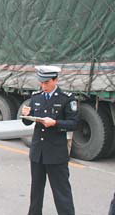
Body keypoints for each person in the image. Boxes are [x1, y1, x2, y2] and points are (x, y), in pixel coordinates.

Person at [21, 65, 78, 215]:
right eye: (41, 82)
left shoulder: (66, 98)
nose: (43, 85)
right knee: (36, 192)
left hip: (56, 154)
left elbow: (74, 123)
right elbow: (28, 122)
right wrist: (26, 114)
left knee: (61, 193)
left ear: (55, 80)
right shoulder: (36, 96)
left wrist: (56, 123)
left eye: (46, 82)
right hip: (38, 153)